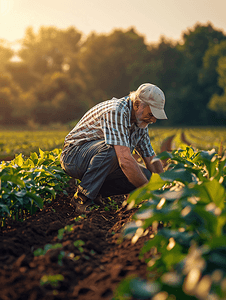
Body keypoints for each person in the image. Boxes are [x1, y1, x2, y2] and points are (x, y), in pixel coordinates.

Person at [60, 83, 167, 213]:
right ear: (137, 104)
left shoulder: (140, 123)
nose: (153, 120)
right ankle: (82, 197)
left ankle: (95, 191)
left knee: (147, 176)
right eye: (151, 115)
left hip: (94, 158)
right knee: (113, 151)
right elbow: (125, 161)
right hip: (73, 156)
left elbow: (150, 158)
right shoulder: (116, 111)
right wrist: (149, 192)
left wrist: (165, 188)